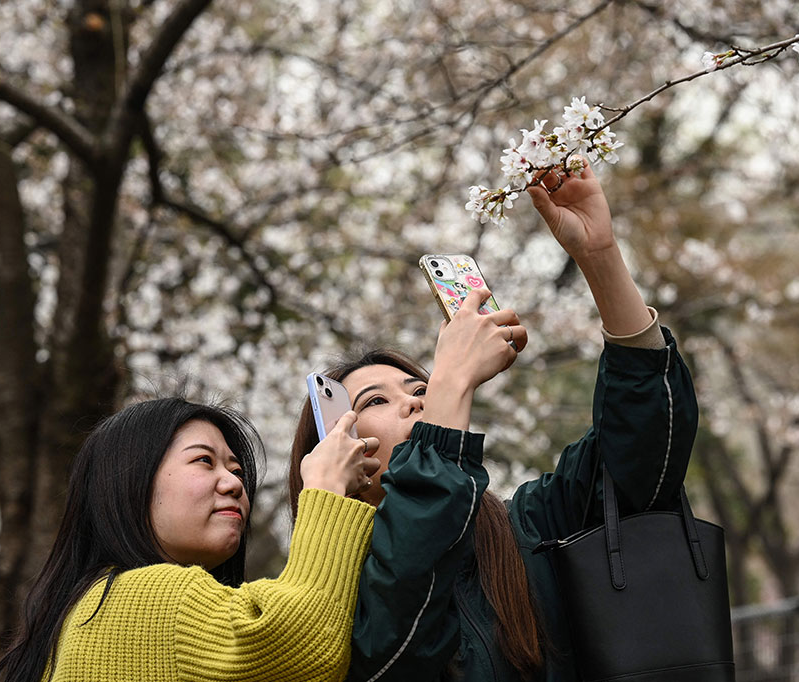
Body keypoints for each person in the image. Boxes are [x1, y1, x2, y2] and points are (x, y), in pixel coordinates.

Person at [288, 161, 699, 681]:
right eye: (375, 401)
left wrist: (600, 257)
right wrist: (451, 384)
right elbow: (398, 639)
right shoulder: (322, 605)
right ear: (337, 447)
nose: (415, 402)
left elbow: (643, 450)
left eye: (421, 390)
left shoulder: (526, 527)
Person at [0, 397, 380, 682]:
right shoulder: (141, 597)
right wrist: (327, 488)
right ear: (131, 483)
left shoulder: (90, 607)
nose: (234, 484)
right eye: (204, 461)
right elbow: (301, 644)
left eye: (237, 471)